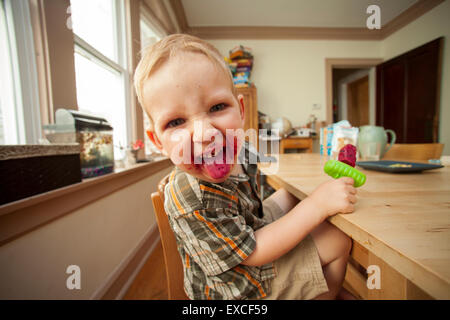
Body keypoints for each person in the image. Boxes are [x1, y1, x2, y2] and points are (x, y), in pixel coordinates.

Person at [134, 34, 356, 300]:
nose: (204, 134)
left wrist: (306, 196)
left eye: (217, 107)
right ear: (157, 140)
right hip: (238, 288)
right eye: (176, 122)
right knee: (337, 239)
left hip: (250, 227)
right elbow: (252, 252)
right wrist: (317, 206)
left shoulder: (240, 150)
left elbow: (263, 191)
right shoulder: (192, 194)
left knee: (295, 196)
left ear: (240, 110)